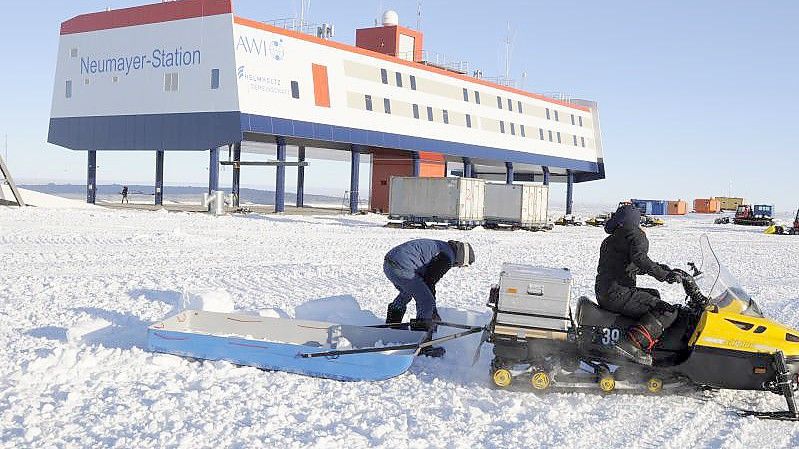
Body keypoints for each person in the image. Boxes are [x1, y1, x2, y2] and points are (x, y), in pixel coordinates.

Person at [595, 204, 681, 365]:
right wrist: (665, 275)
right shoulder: (635, 234)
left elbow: (629, 265)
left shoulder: (611, 239)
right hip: (618, 293)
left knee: (654, 294)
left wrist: (664, 269)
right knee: (666, 311)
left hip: (605, 291)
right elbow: (640, 259)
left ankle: (643, 337)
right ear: (635, 219)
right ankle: (630, 346)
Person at [383, 239, 475, 356]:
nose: (458, 267)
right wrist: (432, 311)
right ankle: (422, 344)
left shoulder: (443, 247)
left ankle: (392, 324)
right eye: (462, 265)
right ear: (462, 258)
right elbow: (429, 281)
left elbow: (426, 278)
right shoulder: (447, 257)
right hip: (402, 267)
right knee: (426, 301)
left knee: (410, 291)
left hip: (389, 264)